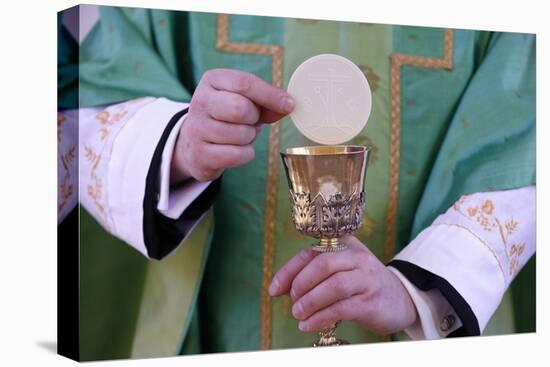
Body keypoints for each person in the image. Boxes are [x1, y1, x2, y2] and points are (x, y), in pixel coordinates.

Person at [58, 4, 536, 361]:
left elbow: (526, 123)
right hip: (224, 324)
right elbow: (100, 84)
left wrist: (416, 291)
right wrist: (179, 145)